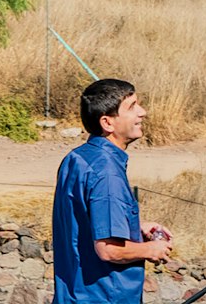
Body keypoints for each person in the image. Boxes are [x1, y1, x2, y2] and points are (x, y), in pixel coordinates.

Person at [51, 78, 172, 304]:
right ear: (107, 122)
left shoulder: (78, 158)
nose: (142, 112)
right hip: (103, 297)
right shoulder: (107, 173)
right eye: (132, 106)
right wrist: (150, 249)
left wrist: (136, 228)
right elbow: (109, 250)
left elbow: (86, 222)